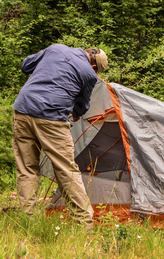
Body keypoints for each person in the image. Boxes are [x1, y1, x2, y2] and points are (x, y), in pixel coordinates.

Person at [12, 44, 108, 231]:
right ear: (95, 67)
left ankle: (27, 223)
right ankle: (85, 227)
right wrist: (76, 112)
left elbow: (25, 66)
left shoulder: (55, 48)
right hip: (52, 119)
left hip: (22, 110)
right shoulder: (89, 74)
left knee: (27, 169)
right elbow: (82, 106)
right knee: (66, 170)